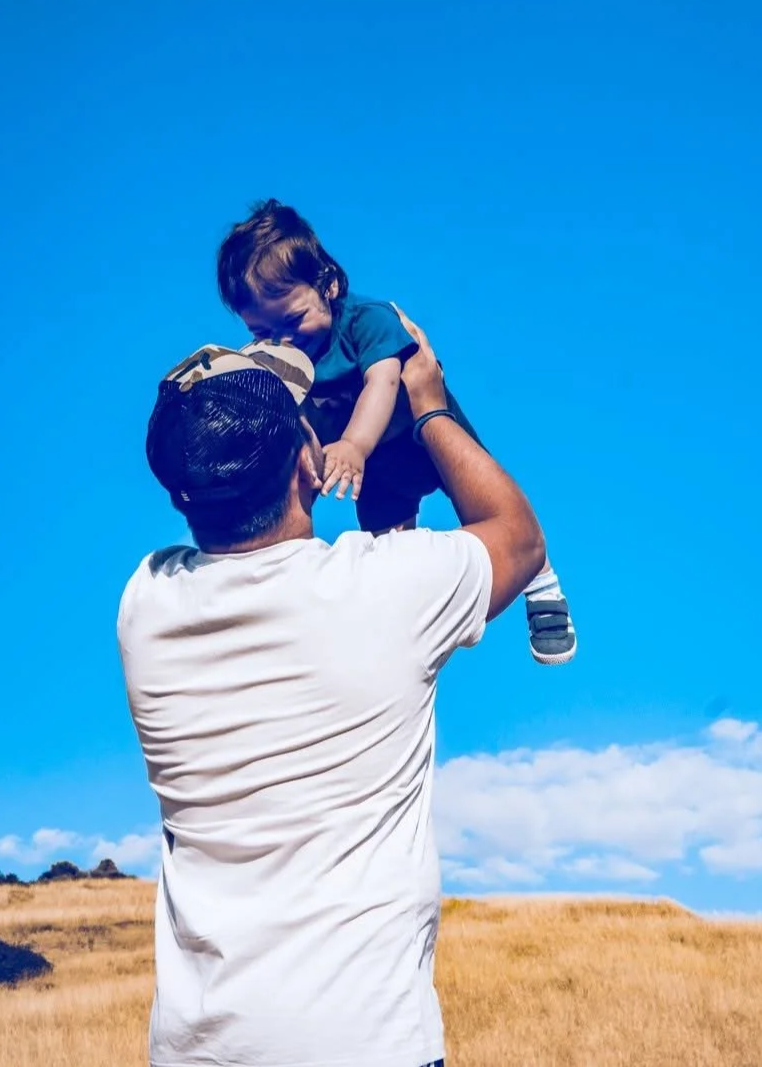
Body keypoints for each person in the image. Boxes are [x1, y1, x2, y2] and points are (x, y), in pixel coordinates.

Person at [118, 316, 546, 1067]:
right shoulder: (385, 589)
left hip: (196, 1050)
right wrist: (429, 399)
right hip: (364, 1042)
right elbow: (516, 536)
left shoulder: (148, 602)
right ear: (308, 463)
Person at [215, 199, 576, 666]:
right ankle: (420, 632)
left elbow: (382, 381)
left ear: (329, 284)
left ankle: (540, 576)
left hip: (423, 434)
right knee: (389, 552)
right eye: (262, 330)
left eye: (292, 321)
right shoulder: (278, 357)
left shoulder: (366, 320)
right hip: (377, 470)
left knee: (488, 510)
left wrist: (354, 444)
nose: (283, 340)